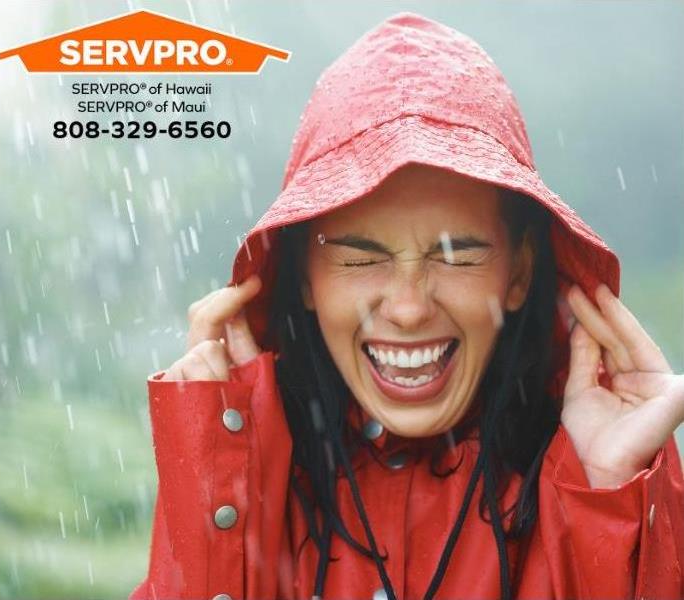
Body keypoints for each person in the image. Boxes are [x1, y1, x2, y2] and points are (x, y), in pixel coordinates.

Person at [129, 12, 684, 600]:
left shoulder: (596, 479)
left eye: (457, 256)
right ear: (305, 279)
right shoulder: (242, 478)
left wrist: (611, 498)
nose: (409, 307)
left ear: (518, 274)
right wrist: (215, 479)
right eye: (361, 258)